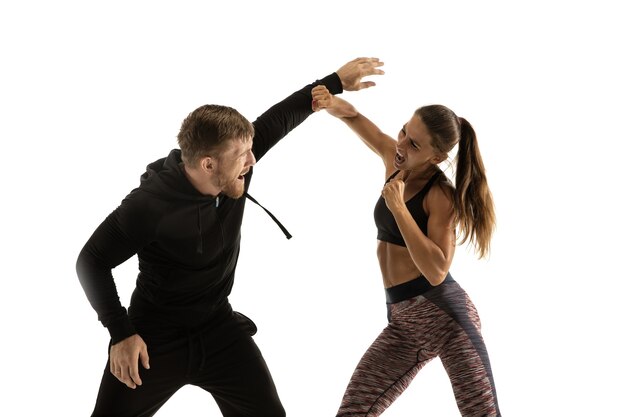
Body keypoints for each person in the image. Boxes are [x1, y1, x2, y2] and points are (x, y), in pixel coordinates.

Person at [76, 57, 385, 417]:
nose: (252, 161)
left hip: (218, 327)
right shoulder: (149, 205)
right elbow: (91, 261)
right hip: (154, 336)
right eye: (243, 156)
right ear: (208, 164)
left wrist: (335, 81)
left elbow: (280, 118)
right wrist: (121, 333)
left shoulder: (234, 165)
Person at [312, 85, 501, 416]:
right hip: (403, 324)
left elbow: (437, 269)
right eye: (403, 131)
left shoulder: (440, 196)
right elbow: (354, 117)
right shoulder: (394, 160)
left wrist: (399, 208)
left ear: (437, 156)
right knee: (353, 411)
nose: (401, 144)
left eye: (414, 144)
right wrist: (331, 103)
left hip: (447, 320)